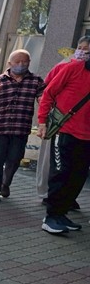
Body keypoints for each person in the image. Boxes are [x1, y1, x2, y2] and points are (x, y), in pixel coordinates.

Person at [0, 49, 45, 202]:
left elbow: (44, 99)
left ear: (29, 63)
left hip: (21, 127)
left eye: (24, 61)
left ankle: (5, 183)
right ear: (10, 63)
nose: (21, 64)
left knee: (15, 159)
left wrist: (43, 104)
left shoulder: (36, 81)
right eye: (17, 62)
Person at [37, 54, 90, 234]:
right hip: (65, 131)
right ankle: (51, 217)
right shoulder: (73, 68)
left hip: (87, 137)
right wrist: (42, 122)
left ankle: (61, 214)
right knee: (61, 173)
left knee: (78, 177)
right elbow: (49, 93)